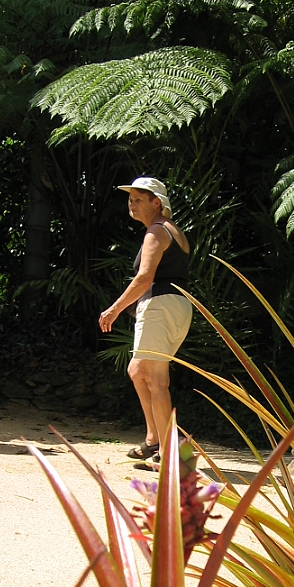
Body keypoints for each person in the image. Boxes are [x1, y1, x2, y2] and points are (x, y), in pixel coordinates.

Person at [99, 176, 192, 464]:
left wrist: (114, 309)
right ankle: (154, 440)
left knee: (154, 379)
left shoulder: (156, 231)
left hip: (160, 306)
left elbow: (144, 277)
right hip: (176, 306)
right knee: (138, 371)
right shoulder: (173, 230)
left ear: (157, 202)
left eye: (138, 199)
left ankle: (168, 454)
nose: (132, 204)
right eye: (130, 199)